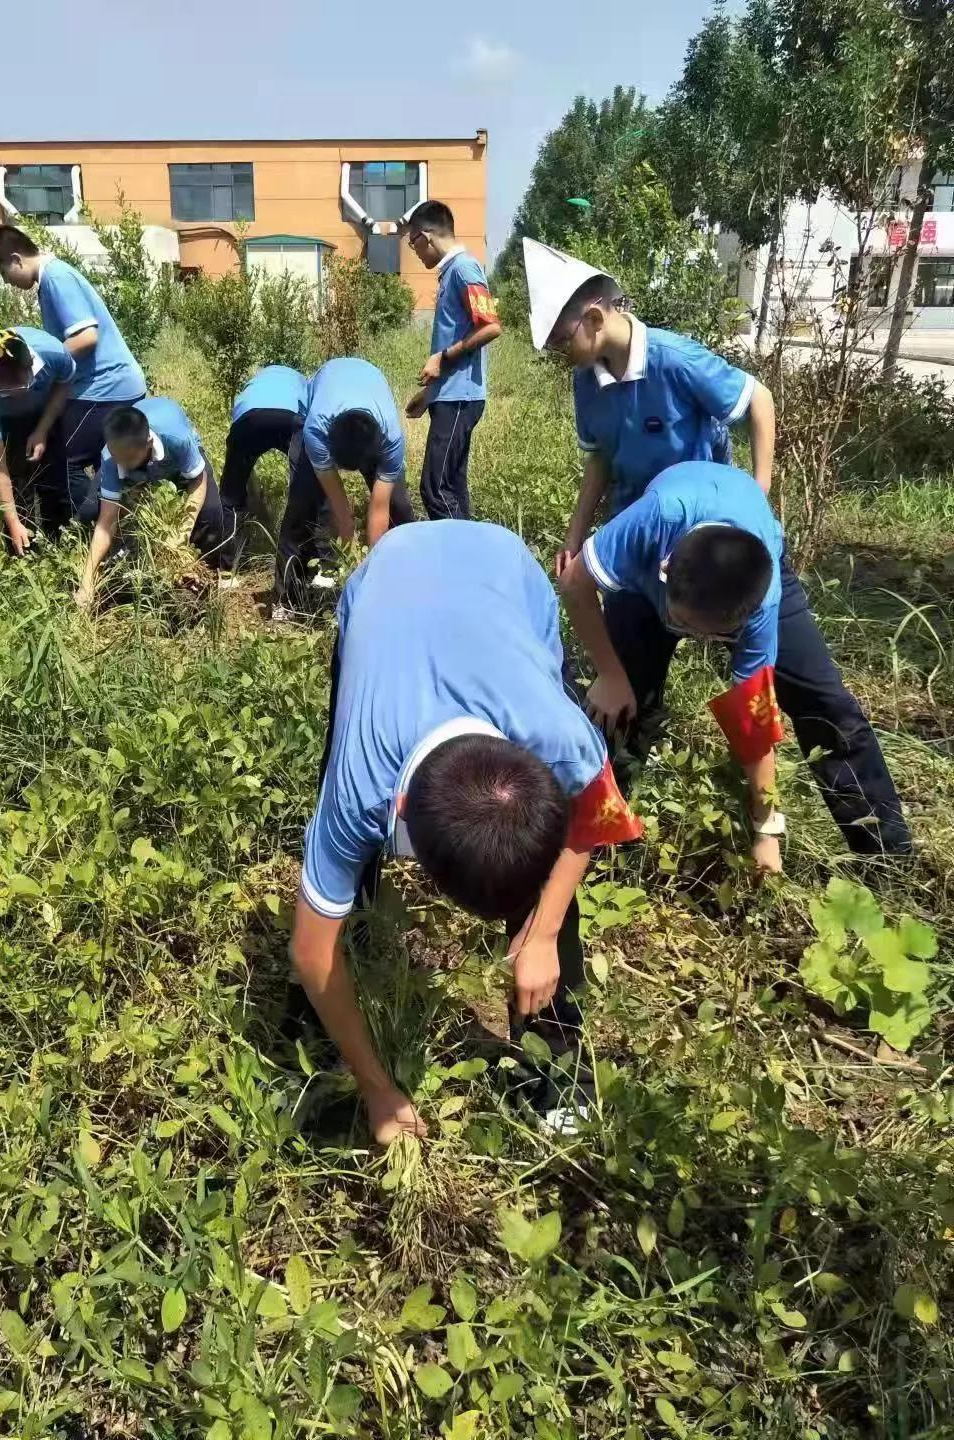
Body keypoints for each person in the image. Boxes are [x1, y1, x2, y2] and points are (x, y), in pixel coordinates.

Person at [290, 519, 642, 1143]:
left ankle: (555, 1066)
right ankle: (355, 920)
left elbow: (590, 820)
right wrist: (378, 1089)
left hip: (505, 571)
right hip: (388, 574)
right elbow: (310, 953)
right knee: (337, 891)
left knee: (551, 904)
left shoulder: (558, 736)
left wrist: (543, 930)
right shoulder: (358, 786)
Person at [558, 461, 912, 871]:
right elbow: (573, 583)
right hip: (660, 561)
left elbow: (753, 716)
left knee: (826, 705)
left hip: (749, 558)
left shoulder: (762, 602)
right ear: (666, 572)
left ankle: (887, 860)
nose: (700, 641)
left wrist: (767, 830)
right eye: (688, 626)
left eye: (716, 636)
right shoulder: (652, 519)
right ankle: (595, 843)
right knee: (618, 706)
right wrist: (610, 674)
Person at [522, 238, 777, 576]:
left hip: (698, 523)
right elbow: (599, 457)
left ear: (595, 319)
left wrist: (757, 495)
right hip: (634, 523)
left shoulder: (675, 360)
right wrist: (574, 536)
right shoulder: (586, 381)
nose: (560, 353)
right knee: (629, 621)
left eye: (561, 341)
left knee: (704, 616)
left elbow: (759, 399)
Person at [0, 225, 146, 524]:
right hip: (107, 386)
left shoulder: (56, 277)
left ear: (17, 259)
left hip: (105, 387)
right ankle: (116, 525)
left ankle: (93, 525)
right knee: (101, 460)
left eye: (3, 273)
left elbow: (86, 337)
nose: (6, 282)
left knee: (62, 462)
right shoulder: (50, 279)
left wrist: (37, 367)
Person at [275, 356, 415, 606]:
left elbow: (379, 508)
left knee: (399, 507)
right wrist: (353, 567)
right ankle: (288, 598)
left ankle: (405, 578)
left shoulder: (391, 439)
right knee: (302, 504)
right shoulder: (316, 433)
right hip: (326, 385)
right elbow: (343, 511)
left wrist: (373, 569)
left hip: (370, 380)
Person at [74, 397, 236, 610]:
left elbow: (198, 480)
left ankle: (212, 571)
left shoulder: (177, 438)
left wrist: (181, 534)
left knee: (211, 513)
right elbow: (107, 521)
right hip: (137, 455)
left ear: (148, 444)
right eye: (117, 458)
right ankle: (105, 565)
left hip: (174, 455)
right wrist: (86, 584)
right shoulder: (112, 457)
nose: (121, 464)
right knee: (89, 511)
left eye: (128, 458)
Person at [404, 201, 501, 520]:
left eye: (412, 241)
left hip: (460, 398)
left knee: (434, 488)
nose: (413, 251)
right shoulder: (452, 272)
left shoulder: (464, 268)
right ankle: (470, 557)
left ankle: (459, 557)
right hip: (449, 396)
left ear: (425, 236)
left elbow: (490, 327)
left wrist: (442, 357)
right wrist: (429, 393)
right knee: (452, 486)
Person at [0, 326, 75, 554]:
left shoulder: (54, 353)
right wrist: (14, 523)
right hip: (8, 422)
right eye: (3, 389)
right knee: (17, 483)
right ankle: (22, 551)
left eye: (17, 385)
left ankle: (59, 543)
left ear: (31, 367)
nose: (13, 393)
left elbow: (64, 383)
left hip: (47, 409)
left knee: (54, 481)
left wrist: (42, 429)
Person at [219, 364, 309, 570]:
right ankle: (300, 565)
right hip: (290, 417)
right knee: (305, 491)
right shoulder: (301, 380)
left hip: (248, 418)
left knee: (230, 497)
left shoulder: (253, 383)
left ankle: (227, 569)